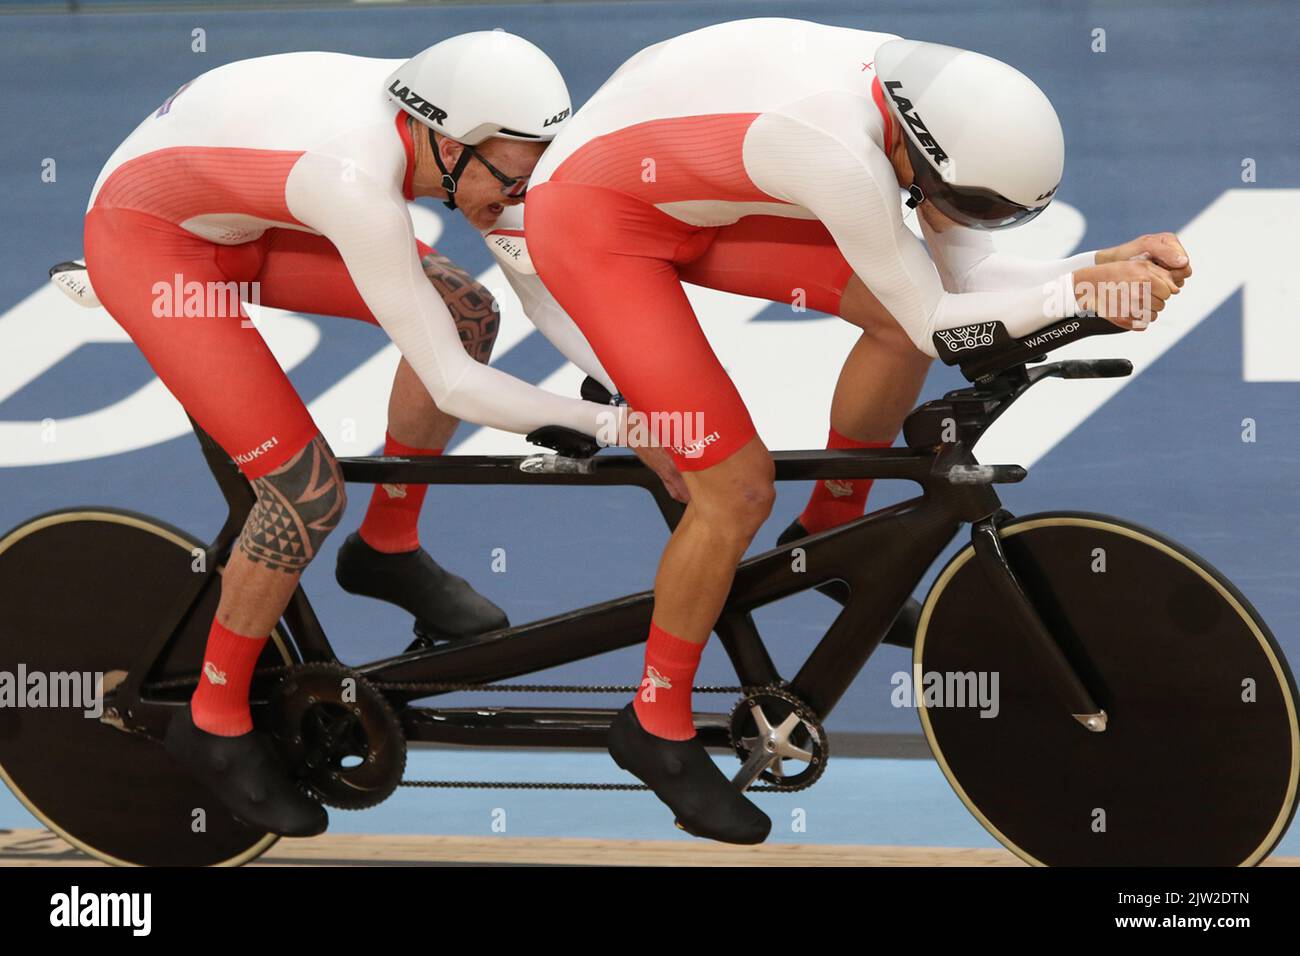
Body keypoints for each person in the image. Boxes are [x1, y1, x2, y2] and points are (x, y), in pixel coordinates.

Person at [503, 18, 1193, 844]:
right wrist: (1080, 295)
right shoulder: (835, 152)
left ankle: (829, 530)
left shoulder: (926, 106)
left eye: (994, 211)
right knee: (735, 489)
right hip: (595, 220)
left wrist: (1099, 265)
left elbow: (963, 272)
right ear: (915, 148)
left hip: (698, 182)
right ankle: (654, 719)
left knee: (892, 320)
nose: (966, 217)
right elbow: (943, 322)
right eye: (969, 202)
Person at [81, 30, 681, 838]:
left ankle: (387, 547)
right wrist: (620, 426)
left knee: (467, 309)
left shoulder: (461, 133)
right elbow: (451, 383)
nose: (519, 194)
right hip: (153, 243)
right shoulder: (354, 179)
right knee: (304, 495)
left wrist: (645, 392)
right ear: (449, 145)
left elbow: (540, 286)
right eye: (511, 177)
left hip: (248, 213)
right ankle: (212, 719)